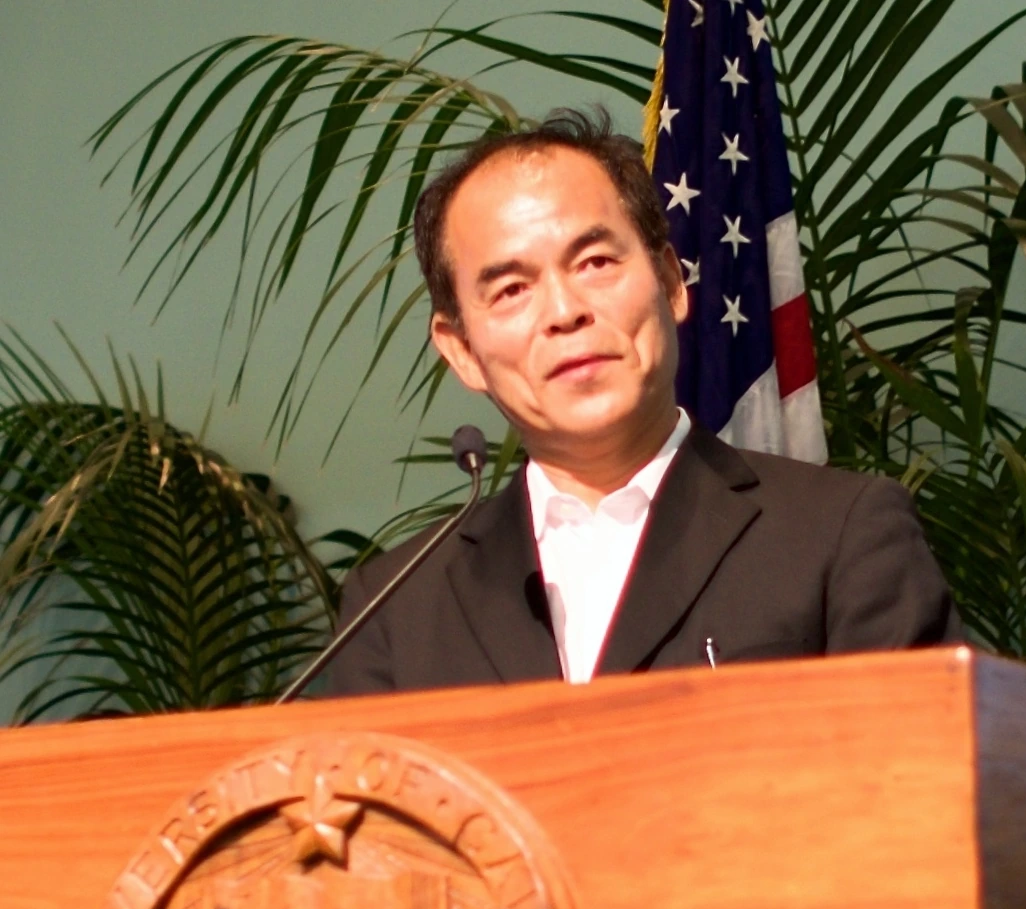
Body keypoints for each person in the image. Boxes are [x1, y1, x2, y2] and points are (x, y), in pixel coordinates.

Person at [329, 110, 960, 695]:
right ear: (461, 349)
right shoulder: (392, 606)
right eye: (513, 289)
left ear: (669, 282)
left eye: (596, 261)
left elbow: (920, 791)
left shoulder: (839, 535)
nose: (565, 311)